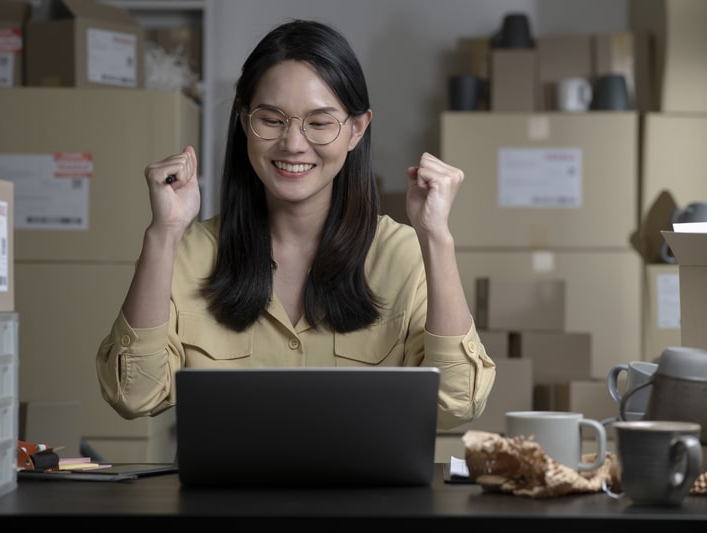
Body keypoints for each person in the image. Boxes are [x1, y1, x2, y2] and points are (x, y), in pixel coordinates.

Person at [95, 18, 495, 430]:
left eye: (319, 123)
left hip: (368, 497)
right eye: (271, 120)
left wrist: (437, 238)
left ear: (356, 130)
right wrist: (163, 234)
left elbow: (457, 403)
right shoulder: (190, 251)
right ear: (244, 120)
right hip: (225, 496)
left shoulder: (403, 253)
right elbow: (134, 396)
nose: (293, 142)